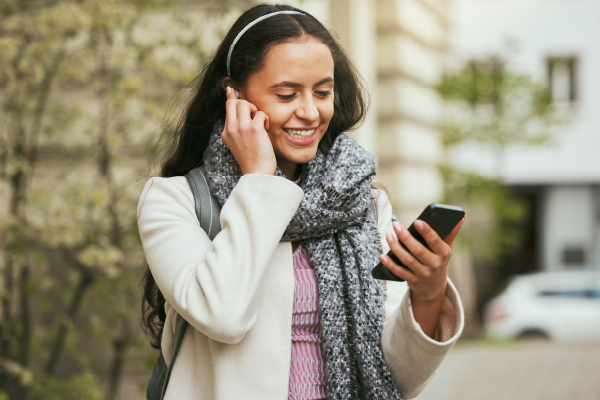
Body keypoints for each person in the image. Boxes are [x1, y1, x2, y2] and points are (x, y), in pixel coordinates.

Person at [138, 4, 465, 400]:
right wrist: (258, 179)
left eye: (323, 92)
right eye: (287, 94)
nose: (310, 112)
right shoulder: (174, 202)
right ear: (234, 95)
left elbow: (396, 379)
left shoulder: (362, 203)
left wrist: (428, 294)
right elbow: (223, 316)